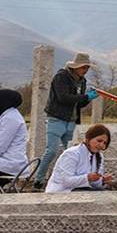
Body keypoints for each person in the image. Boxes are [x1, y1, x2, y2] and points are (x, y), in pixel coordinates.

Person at [32, 52, 98, 190]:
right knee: (51, 150)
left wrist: (87, 99)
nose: (85, 71)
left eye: (87, 68)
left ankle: (67, 180)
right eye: (83, 67)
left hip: (72, 120)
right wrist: (84, 96)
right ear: (76, 67)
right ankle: (38, 180)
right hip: (56, 118)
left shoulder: (82, 81)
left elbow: (78, 104)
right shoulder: (61, 77)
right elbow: (63, 98)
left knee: (70, 152)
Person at [45, 123, 113, 193]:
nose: (101, 145)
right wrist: (87, 177)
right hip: (62, 192)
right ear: (88, 138)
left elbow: (94, 185)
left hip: (82, 191)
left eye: (105, 143)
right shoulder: (71, 154)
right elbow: (66, 181)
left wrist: (102, 181)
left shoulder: (99, 157)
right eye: (99, 141)